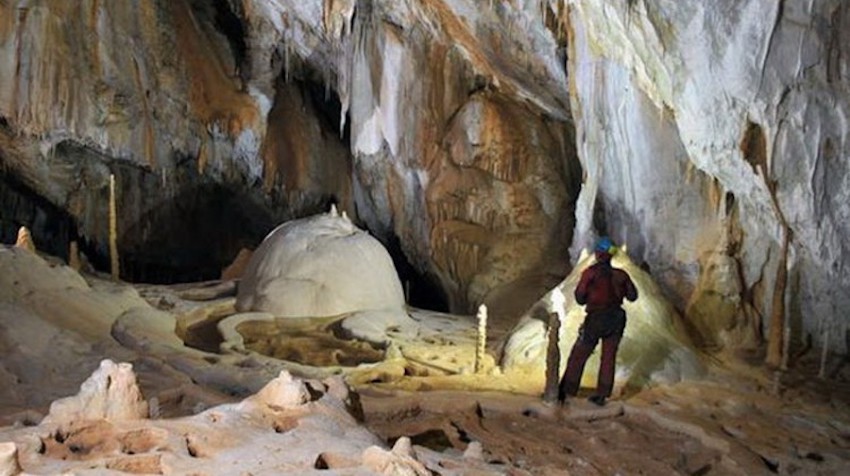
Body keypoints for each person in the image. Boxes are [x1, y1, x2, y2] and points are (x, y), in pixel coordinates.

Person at [558, 236, 638, 406]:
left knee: (579, 354)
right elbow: (633, 296)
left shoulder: (591, 273)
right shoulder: (621, 275)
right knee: (608, 357)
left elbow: (579, 297)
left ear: (599, 254)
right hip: (616, 318)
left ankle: (567, 390)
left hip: (597, 317)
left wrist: (592, 296)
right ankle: (602, 394)